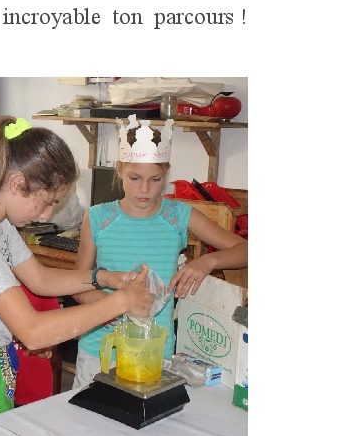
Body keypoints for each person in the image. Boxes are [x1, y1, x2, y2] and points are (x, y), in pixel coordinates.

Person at [0, 115, 153, 433]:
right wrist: (120, 303)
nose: (46, 215)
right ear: (17, 183)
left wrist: (104, 278)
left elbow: (40, 279)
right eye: (46, 203)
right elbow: (32, 330)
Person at [71, 120, 248, 388]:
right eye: (134, 178)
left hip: (154, 353)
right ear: (119, 169)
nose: (144, 189)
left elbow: (246, 250)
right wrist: (106, 304)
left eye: (155, 180)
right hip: (100, 350)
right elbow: (79, 284)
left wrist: (208, 261)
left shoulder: (177, 216)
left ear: (165, 174)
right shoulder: (97, 218)